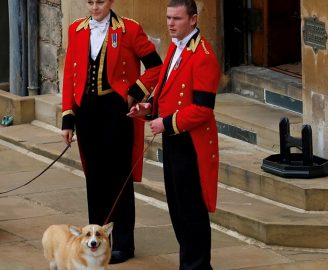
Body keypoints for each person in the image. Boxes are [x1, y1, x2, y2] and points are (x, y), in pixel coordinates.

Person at [60, 0, 162, 264]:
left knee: (119, 177)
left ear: (111, 2)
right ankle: (95, 240)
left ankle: (124, 243)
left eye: (100, 2)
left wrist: (135, 93)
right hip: (87, 112)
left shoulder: (129, 29)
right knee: (94, 177)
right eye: (90, 2)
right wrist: (68, 119)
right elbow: (71, 76)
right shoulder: (76, 30)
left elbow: (156, 66)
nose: (95, 7)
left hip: (116, 111)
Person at [128, 0, 220, 269]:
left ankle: (197, 266)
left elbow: (203, 108)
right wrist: (148, 108)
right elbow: (167, 92)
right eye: (168, 18)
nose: (170, 24)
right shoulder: (174, 47)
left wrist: (166, 124)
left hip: (191, 143)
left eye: (177, 19)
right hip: (174, 139)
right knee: (178, 209)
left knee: (191, 210)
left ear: (193, 19)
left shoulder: (203, 55)